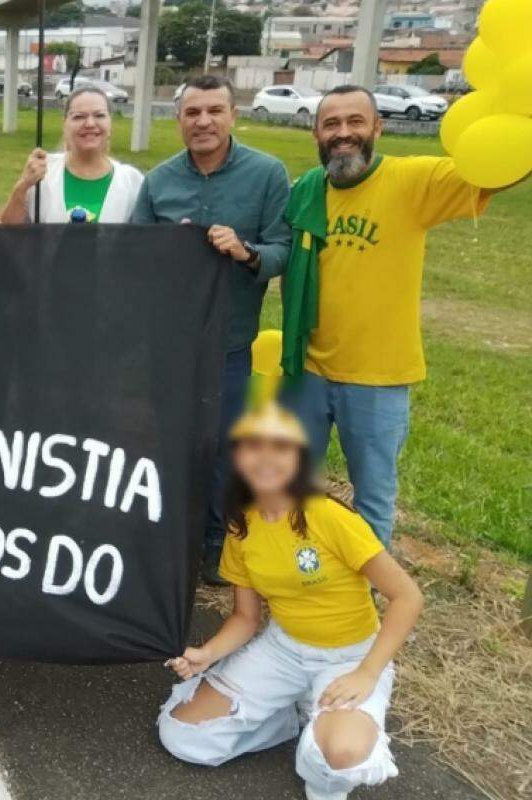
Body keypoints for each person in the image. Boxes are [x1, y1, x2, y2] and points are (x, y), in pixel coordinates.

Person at [280, 85, 518, 548]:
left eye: (355, 122)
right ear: (316, 133)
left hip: (378, 377)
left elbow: (492, 171)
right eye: (331, 124)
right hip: (309, 367)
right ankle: (303, 582)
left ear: (377, 128)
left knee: (372, 497)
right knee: (295, 486)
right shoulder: (307, 192)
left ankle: (365, 603)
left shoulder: (412, 180)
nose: (343, 133)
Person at [158, 403, 424, 800]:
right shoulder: (241, 526)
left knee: (341, 755)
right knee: (181, 735)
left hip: (349, 656)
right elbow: (247, 618)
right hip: (283, 649)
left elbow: (407, 596)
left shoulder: (329, 517)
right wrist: (208, 654)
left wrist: (367, 673)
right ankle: (290, 718)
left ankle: (322, 772)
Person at [131, 74, 293, 585]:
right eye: (192, 112)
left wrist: (244, 251)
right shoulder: (158, 181)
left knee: (224, 446)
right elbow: (133, 254)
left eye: (214, 111)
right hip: (172, 345)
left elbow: (282, 250)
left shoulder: (267, 174)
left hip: (229, 342)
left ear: (232, 116)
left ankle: (215, 544)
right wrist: (167, 249)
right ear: (178, 120)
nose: (203, 121)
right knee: (167, 442)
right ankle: (167, 537)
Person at [1, 86, 143, 223]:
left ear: (110, 122)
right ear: (65, 124)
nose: (90, 124)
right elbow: (8, 234)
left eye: (99, 115)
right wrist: (22, 186)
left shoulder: (132, 182)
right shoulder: (42, 171)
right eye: (79, 117)